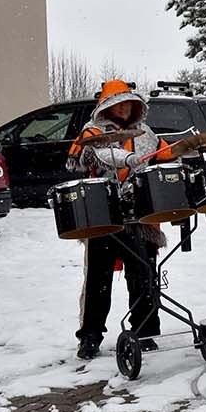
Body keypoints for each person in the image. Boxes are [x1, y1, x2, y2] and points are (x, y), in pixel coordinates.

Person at [66, 80, 177, 360]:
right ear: (108, 106)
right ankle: (90, 336)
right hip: (104, 213)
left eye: (129, 103)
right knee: (98, 279)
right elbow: (94, 152)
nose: (125, 108)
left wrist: (188, 149)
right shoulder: (93, 131)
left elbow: (162, 154)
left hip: (141, 214)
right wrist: (126, 159)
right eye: (119, 103)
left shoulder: (146, 132)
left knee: (143, 275)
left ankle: (146, 330)